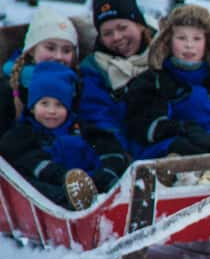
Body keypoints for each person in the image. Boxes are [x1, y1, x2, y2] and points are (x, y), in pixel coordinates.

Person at [123, 4, 210, 166]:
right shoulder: (155, 80)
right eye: (181, 38)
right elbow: (144, 124)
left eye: (196, 38)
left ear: (208, 42)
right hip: (167, 148)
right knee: (185, 150)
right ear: (168, 41)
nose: (189, 45)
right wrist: (183, 128)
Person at [0, 62, 127, 210]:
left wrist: (107, 171)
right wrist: (63, 177)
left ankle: (121, 194)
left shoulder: (80, 129)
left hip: (89, 183)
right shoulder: (25, 134)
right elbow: (27, 159)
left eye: (59, 104)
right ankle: (74, 201)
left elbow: (107, 147)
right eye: (44, 103)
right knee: (31, 186)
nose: (51, 111)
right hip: (51, 192)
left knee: (112, 174)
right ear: (33, 108)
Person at [78, 0, 156, 155]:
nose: (117, 37)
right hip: (122, 154)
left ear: (139, 24)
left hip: (167, 145)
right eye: (107, 33)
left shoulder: (162, 56)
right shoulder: (94, 69)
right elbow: (98, 117)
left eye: (122, 27)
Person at [0, 7, 80, 135]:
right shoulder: (8, 87)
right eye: (50, 48)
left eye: (66, 50)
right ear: (31, 50)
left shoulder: (78, 85)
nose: (58, 56)